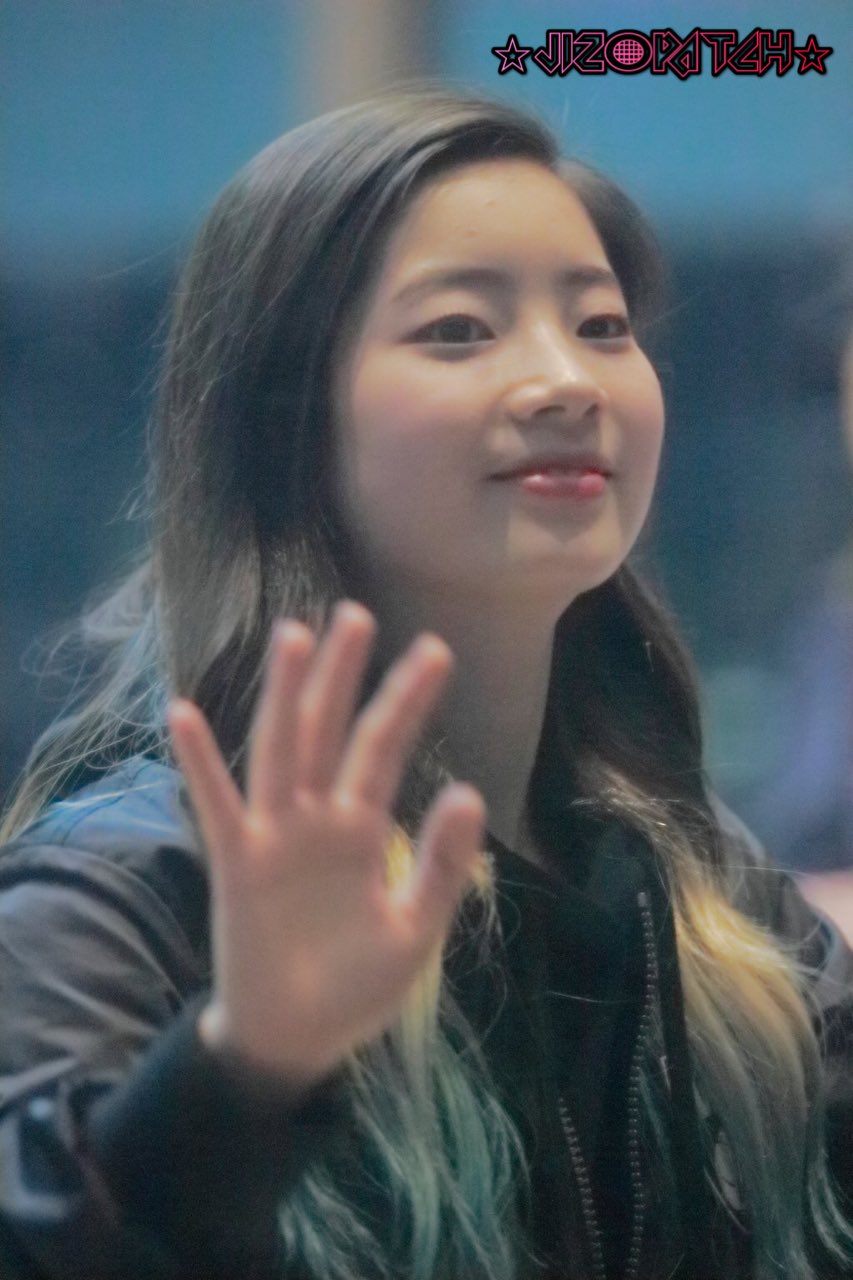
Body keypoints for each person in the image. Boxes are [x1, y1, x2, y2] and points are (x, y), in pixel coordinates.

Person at [0, 88, 851, 1280]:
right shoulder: (125, 891)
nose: (566, 379)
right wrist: (244, 1065)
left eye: (602, 324)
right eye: (458, 329)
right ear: (284, 419)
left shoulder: (701, 888)